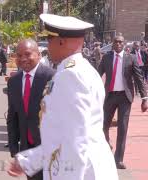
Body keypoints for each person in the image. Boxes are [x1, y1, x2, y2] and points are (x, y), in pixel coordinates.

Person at [8, 14, 118, 180]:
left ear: (61, 41)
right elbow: (61, 135)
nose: (48, 47)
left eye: (50, 40)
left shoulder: (70, 76)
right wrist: (28, 161)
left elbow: (76, 140)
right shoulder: (83, 69)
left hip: (80, 171)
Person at [7, 39, 55, 180]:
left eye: (28, 54)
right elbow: (13, 116)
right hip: (27, 148)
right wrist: (14, 149)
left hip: (49, 149)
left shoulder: (51, 77)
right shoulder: (14, 81)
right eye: (19, 55)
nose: (23, 59)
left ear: (38, 55)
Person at [98, 36, 148, 169]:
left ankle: (118, 159)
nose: (118, 44)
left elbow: (138, 78)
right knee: (103, 126)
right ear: (112, 44)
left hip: (125, 97)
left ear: (124, 44)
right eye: (116, 41)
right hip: (110, 96)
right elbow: (97, 76)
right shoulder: (106, 58)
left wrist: (144, 98)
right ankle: (107, 145)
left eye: (120, 42)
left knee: (122, 128)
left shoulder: (130, 58)